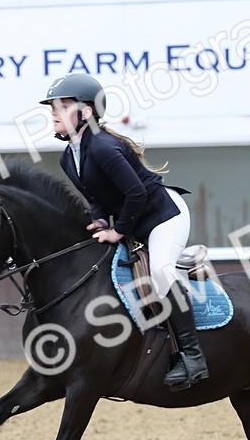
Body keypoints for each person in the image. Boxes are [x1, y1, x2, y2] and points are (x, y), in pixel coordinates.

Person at [40, 73, 208, 391]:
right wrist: (101, 221)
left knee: (160, 271)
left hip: (164, 217)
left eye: (61, 106)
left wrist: (118, 232)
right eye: (52, 107)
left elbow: (136, 194)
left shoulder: (103, 146)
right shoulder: (68, 157)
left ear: (86, 112)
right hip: (135, 219)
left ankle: (191, 355)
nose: (53, 113)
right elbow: (95, 197)